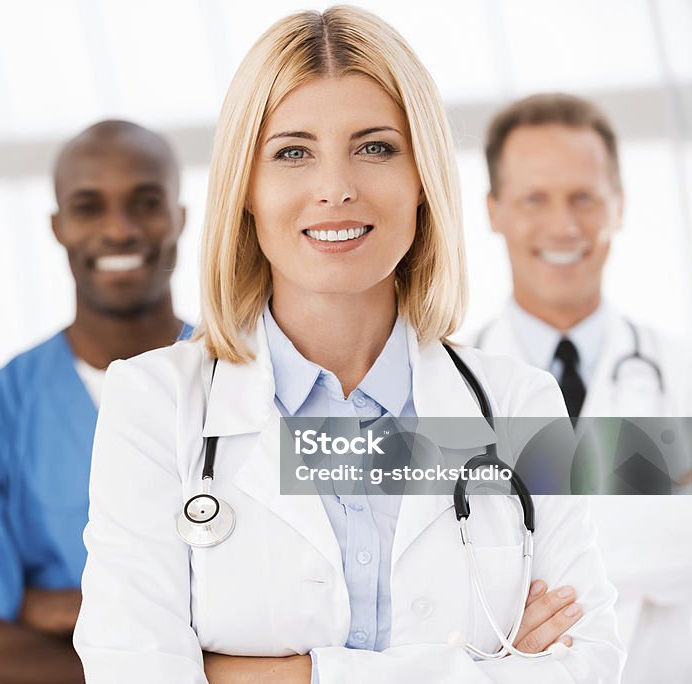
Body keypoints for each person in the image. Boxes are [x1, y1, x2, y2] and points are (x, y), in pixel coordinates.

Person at [74, 7, 623, 683]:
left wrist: (261, 674)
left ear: (423, 178)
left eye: (375, 148)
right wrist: (480, 668)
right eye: (292, 152)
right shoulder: (156, 404)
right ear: (245, 186)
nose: (336, 188)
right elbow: (132, 671)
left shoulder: (521, 405)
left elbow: (591, 665)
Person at [0, 120, 192, 684]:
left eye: (146, 202)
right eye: (89, 207)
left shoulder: (260, 384)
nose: (119, 229)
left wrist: (57, 607)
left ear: (179, 216)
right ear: (58, 226)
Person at [476, 93, 692, 682]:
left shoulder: (683, 371)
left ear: (619, 206)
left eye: (584, 198)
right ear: (494, 211)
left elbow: (483, 578)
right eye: (534, 199)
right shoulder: (443, 384)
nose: (563, 226)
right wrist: (656, 471)